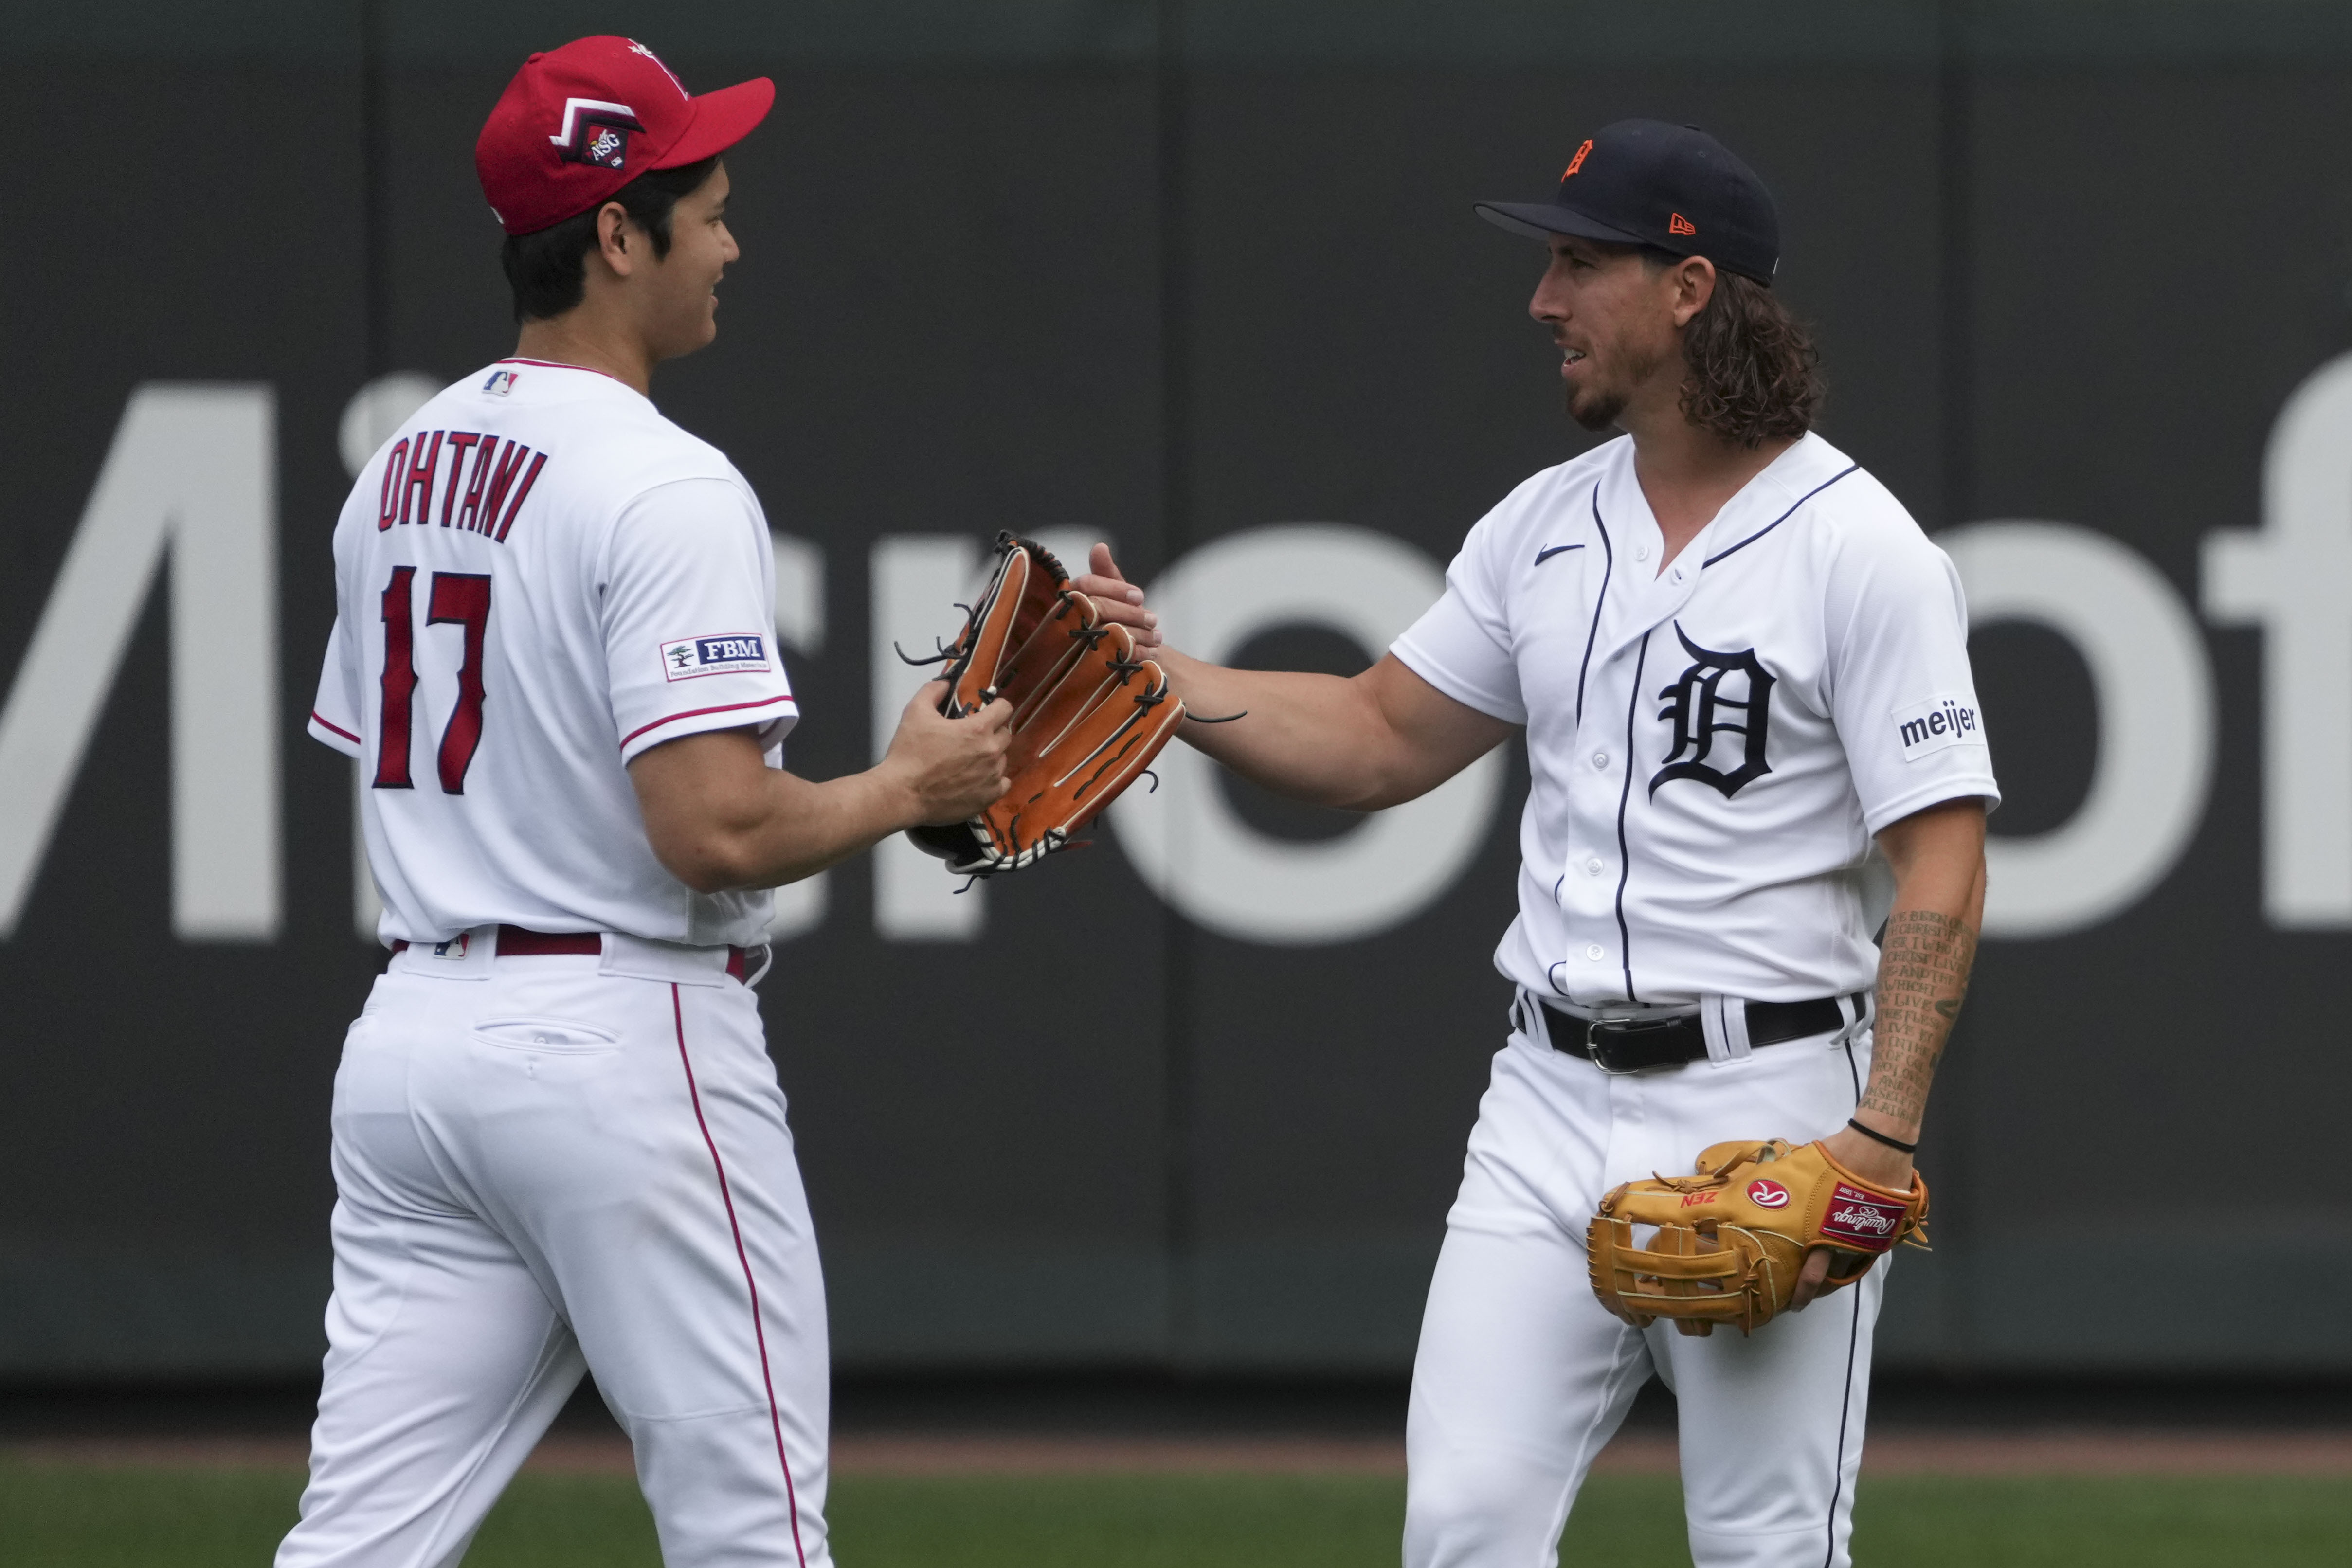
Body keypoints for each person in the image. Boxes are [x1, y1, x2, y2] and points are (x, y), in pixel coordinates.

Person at [285, 36, 1143, 1568]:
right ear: (618, 232)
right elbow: (714, 832)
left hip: (412, 1051)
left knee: (356, 1545)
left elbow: (402, 753)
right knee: (752, 1537)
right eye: (709, 205)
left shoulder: (400, 462)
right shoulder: (664, 482)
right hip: (622, 1041)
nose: (733, 240)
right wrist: (905, 785)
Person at [1096, 119, 1996, 1568]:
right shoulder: (1542, 524)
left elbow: (1942, 856)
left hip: (1766, 1101)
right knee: (1461, 1528)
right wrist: (1172, 680)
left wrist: (1877, 1136)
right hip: (1541, 1099)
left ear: (1688, 289)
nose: (1542, 301)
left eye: (1581, 264)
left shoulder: (1859, 548)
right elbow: (1383, 734)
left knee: (1766, 1544)